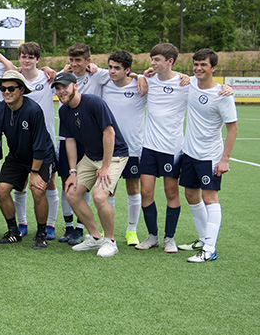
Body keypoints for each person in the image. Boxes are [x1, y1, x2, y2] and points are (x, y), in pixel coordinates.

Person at [53, 71, 129, 257]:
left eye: (65, 87)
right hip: (90, 156)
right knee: (71, 193)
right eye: (58, 88)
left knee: (99, 196)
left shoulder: (94, 102)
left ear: (75, 86)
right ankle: (96, 238)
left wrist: (105, 166)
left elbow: (109, 133)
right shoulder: (63, 110)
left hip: (114, 155)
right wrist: (72, 171)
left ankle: (110, 241)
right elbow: (69, 141)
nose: (61, 91)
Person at [0, 70, 56, 247]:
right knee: (1, 190)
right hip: (17, 157)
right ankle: (13, 231)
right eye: (3, 89)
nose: (6, 92)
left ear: (21, 90)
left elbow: (39, 145)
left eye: (11, 88)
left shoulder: (33, 110)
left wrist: (35, 172)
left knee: (37, 190)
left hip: (41, 156)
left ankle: (41, 233)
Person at [177, 49, 237, 263]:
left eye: (203, 64)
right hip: (190, 153)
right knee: (191, 195)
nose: (199, 68)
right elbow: (163, 72)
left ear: (213, 68)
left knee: (210, 198)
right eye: (196, 64)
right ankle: (203, 239)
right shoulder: (190, 82)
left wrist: (225, 159)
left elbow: (233, 129)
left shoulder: (223, 95)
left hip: (210, 157)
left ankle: (210, 249)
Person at [134, 43, 187, 252]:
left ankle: (169, 237)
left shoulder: (185, 84)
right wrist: (139, 75)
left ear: (170, 61)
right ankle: (152, 235)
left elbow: (209, 88)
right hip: (149, 147)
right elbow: (125, 73)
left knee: (171, 191)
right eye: (152, 59)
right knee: (146, 191)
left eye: (157, 60)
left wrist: (226, 88)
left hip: (172, 149)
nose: (153, 63)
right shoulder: (148, 80)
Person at [56, 43, 110, 245]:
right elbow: (46, 74)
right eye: (71, 60)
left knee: (84, 185)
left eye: (79, 60)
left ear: (88, 61)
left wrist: (140, 77)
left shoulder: (98, 74)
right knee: (67, 183)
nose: (74, 64)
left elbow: (122, 73)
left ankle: (81, 229)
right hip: (68, 138)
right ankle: (68, 226)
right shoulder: (63, 74)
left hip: (88, 140)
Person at [101, 50, 147, 246]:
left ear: (127, 70)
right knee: (110, 190)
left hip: (134, 147)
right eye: (110, 67)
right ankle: (106, 228)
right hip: (111, 149)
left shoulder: (140, 87)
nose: (112, 71)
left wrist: (142, 76)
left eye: (117, 68)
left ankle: (131, 230)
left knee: (133, 188)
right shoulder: (104, 85)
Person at [14, 42, 59, 240]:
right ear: (19, 58)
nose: (26, 60)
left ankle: (50, 224)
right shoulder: (15, 79)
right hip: (22, 141)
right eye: (23, 56)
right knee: (21, 183)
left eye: (31, 57)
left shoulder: (48, 78)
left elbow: (73, 79)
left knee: (49, 183)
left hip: (46, 141)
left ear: (37, 60)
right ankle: (22, 223)